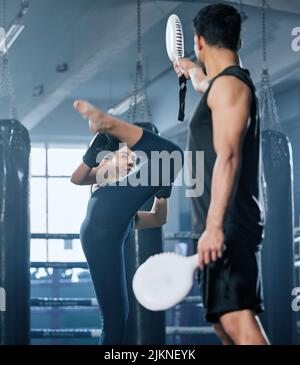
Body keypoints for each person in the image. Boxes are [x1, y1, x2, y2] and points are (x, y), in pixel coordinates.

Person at [173, 3, 269, 345]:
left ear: (199, 40)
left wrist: (214, 228)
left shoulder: (229, 88)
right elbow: (207, 86)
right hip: (217, 225)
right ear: (236, 40)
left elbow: (227, 157)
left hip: (226, 225)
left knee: (238, 321)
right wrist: (192, 70)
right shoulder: (224, 86)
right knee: (223, 325)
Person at [71, 100, 183, 344]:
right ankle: (111, 125)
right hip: (102, 216)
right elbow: (76, 178)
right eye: (128, 157)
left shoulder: (125, 208)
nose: (133, 162)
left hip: (106, 228)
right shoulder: (106, 175)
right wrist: (91, 155)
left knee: (116, 320)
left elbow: (157, 219)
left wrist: (163, 193)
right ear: (108, 158)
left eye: (135, 160)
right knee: (172, 157)